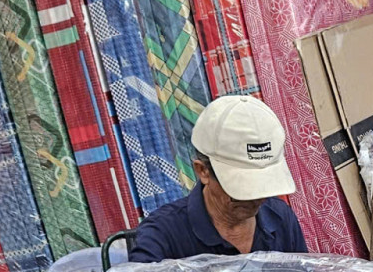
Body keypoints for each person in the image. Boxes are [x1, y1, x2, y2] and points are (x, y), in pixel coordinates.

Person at [128, 95, 306, 263]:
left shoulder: (280, 218)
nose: (255, 198)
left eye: (263, 184)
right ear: (203, 171)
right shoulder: (164, 232)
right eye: (242, 186)